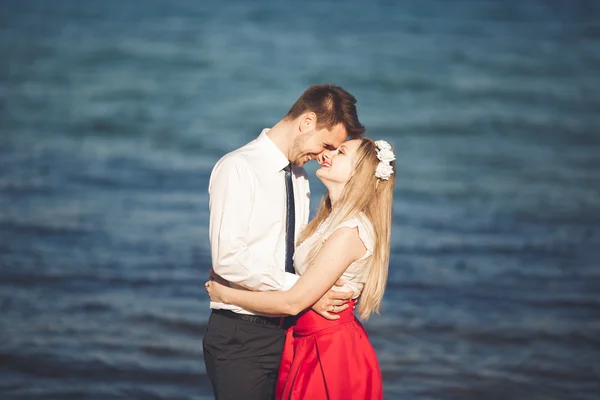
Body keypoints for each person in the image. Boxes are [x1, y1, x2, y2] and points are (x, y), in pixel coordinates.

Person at [203, 84, 365, 400]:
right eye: (326, 144)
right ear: (306, 122)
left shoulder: (300, 176)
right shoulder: (238, 168)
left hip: (291, 333)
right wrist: (304, 292)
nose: (325, 156)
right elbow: (228, 260)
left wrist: (301, 298)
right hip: (241, 332)